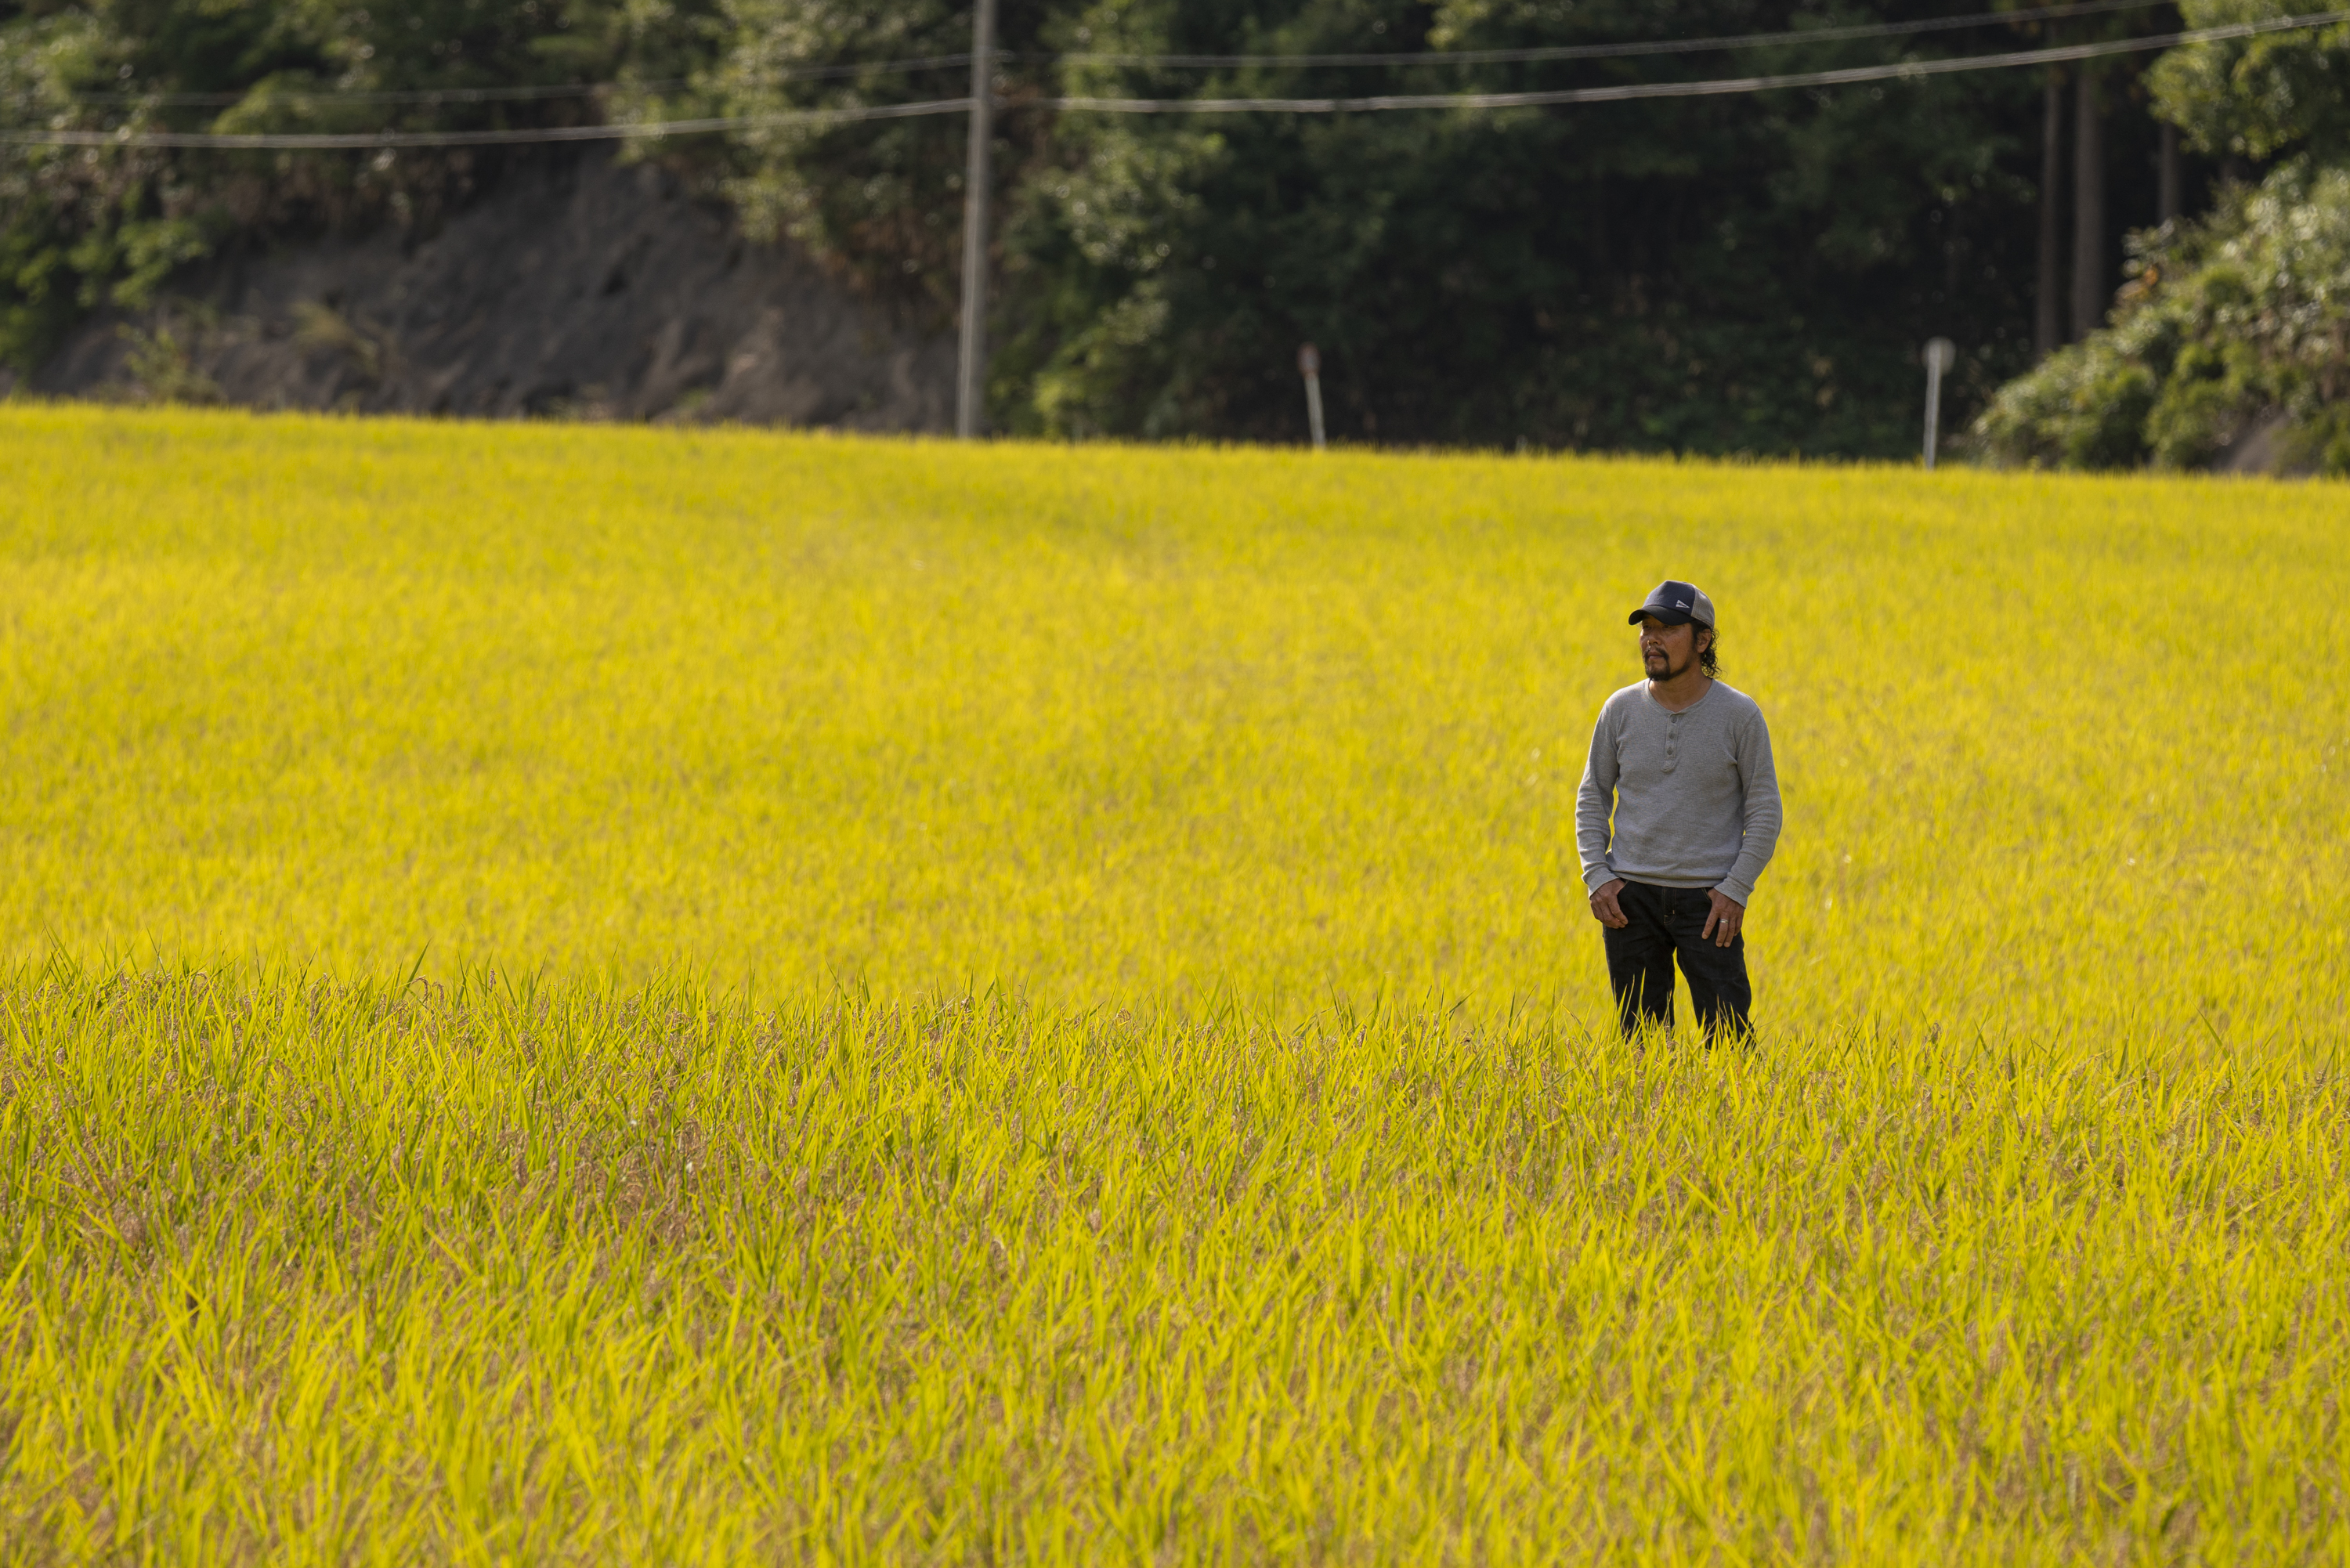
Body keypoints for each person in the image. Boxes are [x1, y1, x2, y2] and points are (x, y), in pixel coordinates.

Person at [1574, 581, 1781, 1041]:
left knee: (1731, 1045)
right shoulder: (1619, 710)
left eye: (1667, 629)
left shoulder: (1739, 716)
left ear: (1702, 640)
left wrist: (1735, 888)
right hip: (1632, 902)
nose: (1652, 639)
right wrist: (1598, 876)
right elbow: (1592, 798)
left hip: (1709, 905)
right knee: (1641, 1046)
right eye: (1647, 628)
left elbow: (1765, 809)